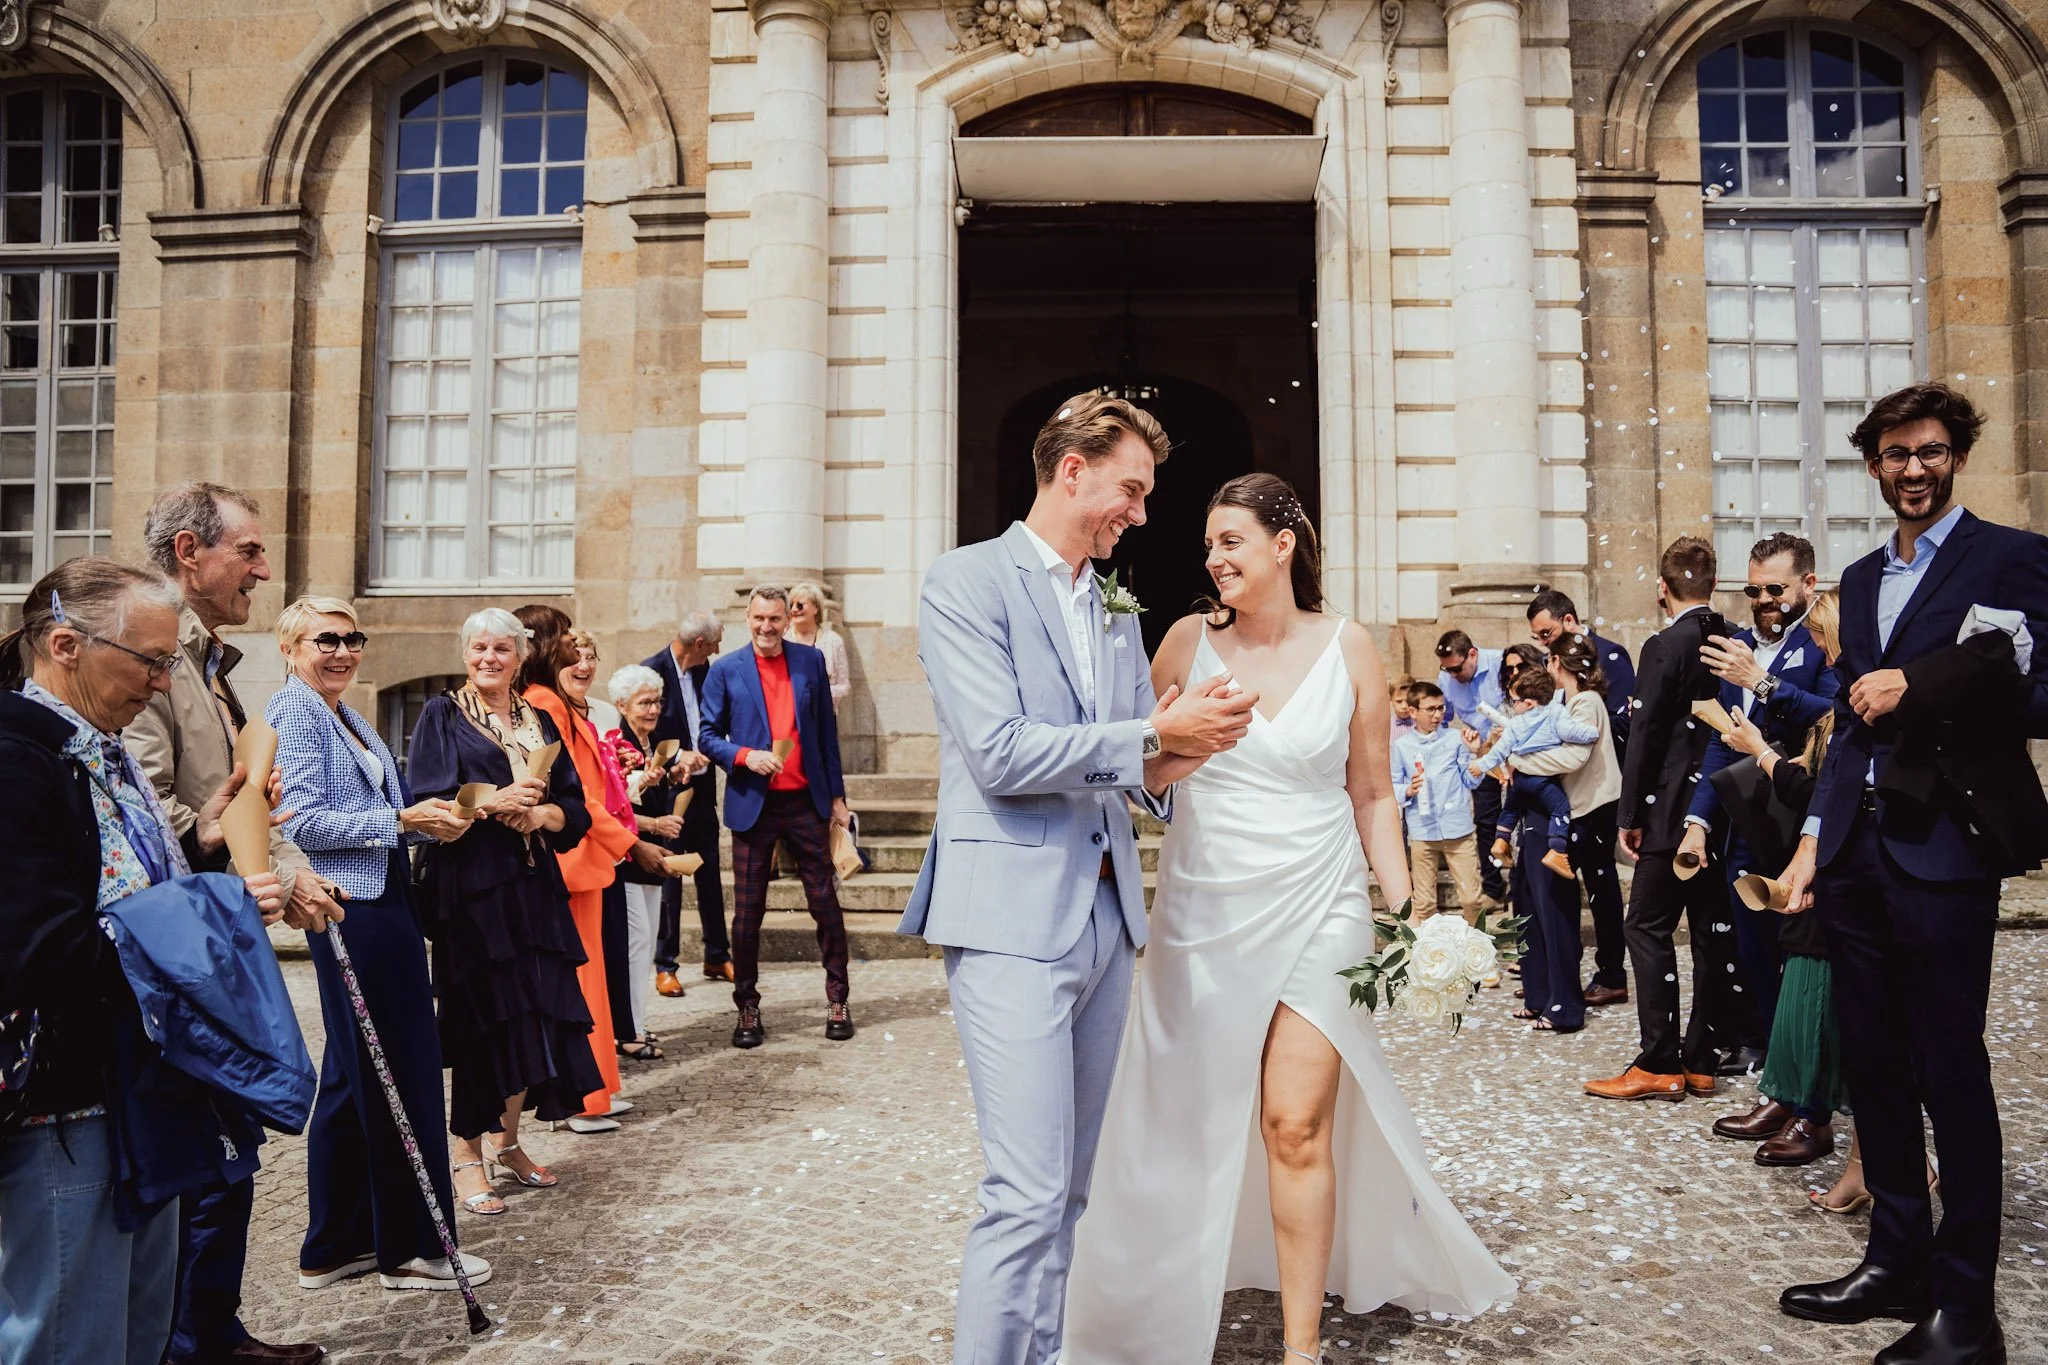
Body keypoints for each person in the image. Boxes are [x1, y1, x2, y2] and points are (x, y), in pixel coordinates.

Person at [1067, 473, 1514, 1365]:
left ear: (1283, 544)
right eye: (1207, 545)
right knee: (1188, 1114)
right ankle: (1163, 1287)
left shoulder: (1351, 646)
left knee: (1294, 1122)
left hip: (1322, 902)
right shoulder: (1185, 643)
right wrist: (1181, 745)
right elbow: (1139, 779)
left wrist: (1411, 912)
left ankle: (1302, 1350)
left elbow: (1376, 792)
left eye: (1229, 540)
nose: (1213, 558)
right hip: (1205, 910)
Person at [902, 392, 1252, 1365]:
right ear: (1071, 471)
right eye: (1130, 491)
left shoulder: (1110, 600)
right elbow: (1003, 754)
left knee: (1069, 1192)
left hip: (1104, 923)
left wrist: (1181, 757)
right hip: (1009, 918)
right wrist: (1151, 733)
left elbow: (1125, 769)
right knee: (1021, 1194)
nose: (1139, 514)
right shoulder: (962, 582)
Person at [1777, 383, 2048, 1365]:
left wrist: (1921, 682)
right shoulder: (1851, 579)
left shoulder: (2009, 558)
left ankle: (1966, 1314)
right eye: (1894, 455)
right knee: (1875, 1071)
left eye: (1929, 451)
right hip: (1855, 856)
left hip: (1944, 856)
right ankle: (1893, 1260)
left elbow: (2036, 687)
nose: (1912, 468)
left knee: (1948, 1072)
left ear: (1955, 455)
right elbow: (1849, 725)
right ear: (1873, 466)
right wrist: (1812, 841)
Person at [0, 559, 287, 1365]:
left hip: (138, 1090)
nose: (163, 684)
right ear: (65, 644)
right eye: (151, 661)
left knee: (134, 1333)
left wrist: (200, 846)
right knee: (69, 1336)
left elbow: (126, 888)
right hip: (68, 1106)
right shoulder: (20, 757)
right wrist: (218, 913)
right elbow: (39, 951)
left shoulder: (104, 746)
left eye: (170, 663)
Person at [125, 482, 331, 1365]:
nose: (264, 567)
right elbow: (138, 800)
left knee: (231, 1144)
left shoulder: (209, 658)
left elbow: (228, 796)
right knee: (202, 1149)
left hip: (223, 921)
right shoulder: (147, 649)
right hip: (186, 941)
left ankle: (213, 1329)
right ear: (187, 550)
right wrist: (217, 839)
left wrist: (281, 865)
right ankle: (184, 1343)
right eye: (248, 551)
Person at [264, 598, 491, 1292]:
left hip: (384, 897)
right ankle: (411, 1247)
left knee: (351, 1075)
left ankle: (332, 1244)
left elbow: (375, 818)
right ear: (291, 645)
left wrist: (428, 826)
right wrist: (400, 817)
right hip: (353, 906)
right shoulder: (293, 710)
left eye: (352, 638)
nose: (342, 649)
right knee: (405, 1070)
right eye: (325, 638)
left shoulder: (348, 714)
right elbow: (300, 818)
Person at [404, 609, 602, 1212]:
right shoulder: (442, 713)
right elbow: (427, 796)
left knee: (532, 1014)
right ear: (465, 654)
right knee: (480, 1018)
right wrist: (496, 801)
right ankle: (465, 1158)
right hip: (473, 890)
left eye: (500, 649)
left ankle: (507, 1142)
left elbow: (574, 805)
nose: (488, 658)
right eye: (478, 648)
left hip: (532, 885)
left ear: (519, 656)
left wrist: (542, 814)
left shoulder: (538, 718)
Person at [1677, 532, 1839, 1077]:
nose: (1764, 599)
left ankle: (1806, 1064)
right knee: (1751, 942)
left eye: (1775, 588)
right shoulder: (1739, 643)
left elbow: (1835, 715)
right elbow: (1722, 740)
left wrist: (1763, 683)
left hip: (1804, 816)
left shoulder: (1824, 640)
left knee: (1802, 946)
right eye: (1753, 589)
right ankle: (1768, 1047)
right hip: (1747, 821)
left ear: (1808, 584)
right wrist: (1698, 822)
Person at [1585, 535, 1740, 1104]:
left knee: (1645, 926)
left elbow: (1647, 733)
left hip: (1669, 811)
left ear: (1662, 587)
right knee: (1708, 929)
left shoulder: (1663, 645)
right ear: (1713, 585)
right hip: (1719, 806)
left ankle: (1659, 1061)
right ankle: (1701, 1058)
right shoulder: (1731, 639)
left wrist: (1630, 813)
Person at [516, 606, 670, 1127]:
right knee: (579, 983)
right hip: (573, 854)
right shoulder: (544, 704)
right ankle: (580, 1099)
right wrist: (632, 843)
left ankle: (596, 1090)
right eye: (566, 641)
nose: (576, 653)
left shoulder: (560, 704)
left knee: (594, 980)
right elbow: (577, 794)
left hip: (587, 854)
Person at [1708, 590, 1845, 1168]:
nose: (1813, 646)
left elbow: (1822, 792)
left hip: (1835, 865)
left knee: (1816, 995)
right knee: (1797, 984)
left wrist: (1760, 752)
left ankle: (1812, 1113)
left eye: (1820, 637)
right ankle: (1786, 1097)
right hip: (1807, 853)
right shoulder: (1836, 707)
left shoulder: (1847, 700)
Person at [701, 586, 855, 1048]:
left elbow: (826, 736)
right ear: (746, 619)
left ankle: (838, 999)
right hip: (754, 804)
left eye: (774, 619)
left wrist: (839, 799)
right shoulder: (725, 669)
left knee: (825, 904)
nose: (766, 627)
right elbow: (707, 735)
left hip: (807, 801)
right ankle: (747, 1007)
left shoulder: (810, 662)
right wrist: (746, 756)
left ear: (788, 619)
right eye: (757, 619)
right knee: (748, 914)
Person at [1505, 634, 1621, 1034]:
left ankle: (1564, 1005)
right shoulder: (1567, 705)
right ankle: (1540, 995)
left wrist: (1519, 758)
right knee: (1531, 905)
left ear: (1557, 663)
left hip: (1576, 813)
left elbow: (1575, 756)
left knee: (1555, 909)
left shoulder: (1585, 703)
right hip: (1548, 811)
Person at [563, 628, 648, 1061]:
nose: (584, 664)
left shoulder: (602, 714)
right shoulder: (553, 710)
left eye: (591, 655)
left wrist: (627, 767)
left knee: (621, 944)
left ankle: (618, 1037)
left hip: (613, 839)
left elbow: (610, 781)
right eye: (574, 655)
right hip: (586, 843)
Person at [644, 611, 728, 991]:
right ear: (698, 644)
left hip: (703, 789)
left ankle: (718, 956)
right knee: (671, 879)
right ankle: (666, 965)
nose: (717, 649)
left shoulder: (704, 670)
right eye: (714, 643)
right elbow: (644, 733)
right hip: (668, 794)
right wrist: (679, 758)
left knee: (710, 874)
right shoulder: (652, 672)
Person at [605, 662, 684, 1055]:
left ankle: (637, 1023)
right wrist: (654, 825)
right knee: (636, 946)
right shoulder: (617, 744)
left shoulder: (652, 745)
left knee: (648, 942)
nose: (653, 710)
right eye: (644, 703)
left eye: (657, 702)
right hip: (627, 858)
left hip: (650, 861)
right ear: (622, 704)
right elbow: (610, 808)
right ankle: (630, 1032)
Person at [1471, 666, 1599, 878]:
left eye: (1514, 701)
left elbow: (1500, 751)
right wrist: (1592, 733)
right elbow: (1570, 732)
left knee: (1512, 808)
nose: (1513, 706)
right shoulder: (1555, 711)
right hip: (1541, 779)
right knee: (1560, 809)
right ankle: (1557, 850)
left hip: (1519, 778)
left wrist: (1481, 765)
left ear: (1528, 703)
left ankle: (1501, 840)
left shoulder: (1514, 725)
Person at [1389, 681, 1485, 921]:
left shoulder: (1455, 739)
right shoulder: (1401, 746)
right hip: (1422, 828)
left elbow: (1471, 781)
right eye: (1430, 709)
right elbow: (1392, 785)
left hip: (1457, 827)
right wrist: (1408, 790)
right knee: (1424, 903)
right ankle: (1431, 955)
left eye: (1441, 708)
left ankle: (1480, 952)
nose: (1438, 714)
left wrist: (1477, 754)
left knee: (1472, 898)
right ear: (1413, 712)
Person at [1435, 628, 1508, 909]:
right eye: (1447, 669)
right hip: (1484, 754)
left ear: (1473, 654)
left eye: (1457, 668)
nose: (1453, 675)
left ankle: (1521, 885)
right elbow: (1443, 719)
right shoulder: (1445, 679)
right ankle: (1493, 888)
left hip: (1516, 749)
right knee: (1486, 820)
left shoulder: (1502, 662)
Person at [1527, 587, 1637, 755]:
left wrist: (1573, 730)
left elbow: (1624, 721)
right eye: (1537, 637)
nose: (1542, 643)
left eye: (1546, 633)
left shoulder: (1609, 654)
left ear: (1569, 621)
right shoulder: (1546, 660)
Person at [787, 581, 851, 711]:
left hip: (824, 716)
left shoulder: (833, 641)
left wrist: (818, 692)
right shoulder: (782, 640)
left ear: (816, 608)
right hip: (790, 716)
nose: (794, 609)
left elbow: (844, 686)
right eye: (791, 605)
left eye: (800, 605)